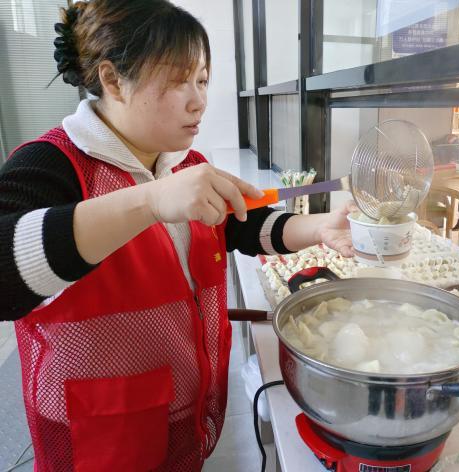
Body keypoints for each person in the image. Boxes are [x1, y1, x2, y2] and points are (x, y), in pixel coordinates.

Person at [0, 1, 354, 470]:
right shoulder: (52, 164)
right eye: (177, 81)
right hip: (101, 435)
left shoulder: (184, 162)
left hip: (183, 411)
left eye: (202, 80)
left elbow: (240, 225)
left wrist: (318, 228)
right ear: (112, 80)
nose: (198, 100)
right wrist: (149, 201)